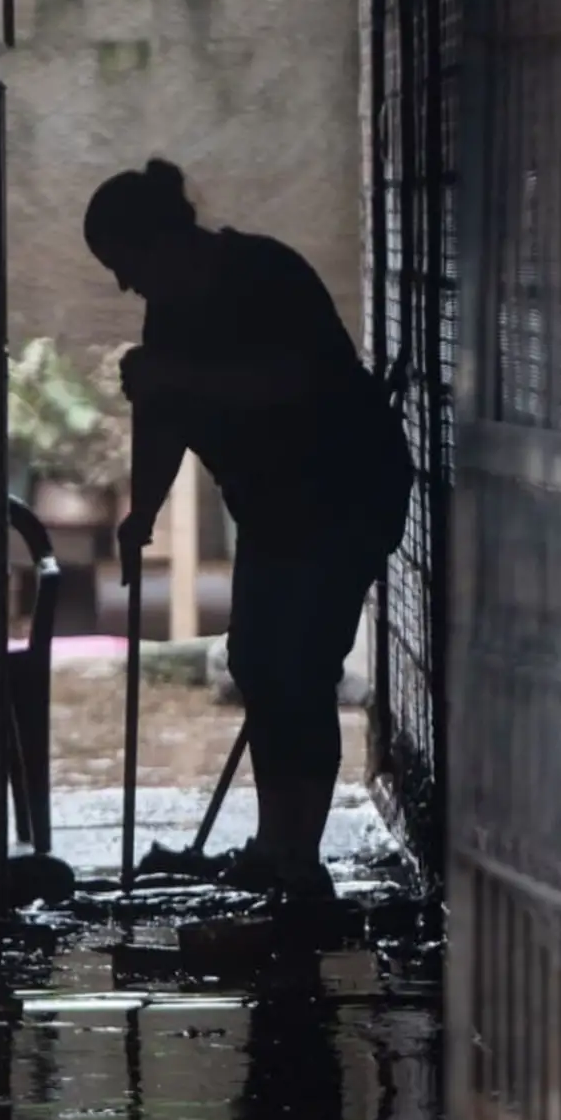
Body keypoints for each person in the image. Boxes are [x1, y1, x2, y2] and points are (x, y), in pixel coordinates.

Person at [84, 157, 406, 900]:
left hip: (344, 492)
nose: (124, 284)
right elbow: (166, 421)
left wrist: (177, 378)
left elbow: (292, 382)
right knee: (259, 662)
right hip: (275, 506)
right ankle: (275, 844)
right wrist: (143, 510)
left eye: (124, 263)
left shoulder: (267, 275)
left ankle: (301, 858)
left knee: (300, 669)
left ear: (159, 242)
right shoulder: (169, 310)